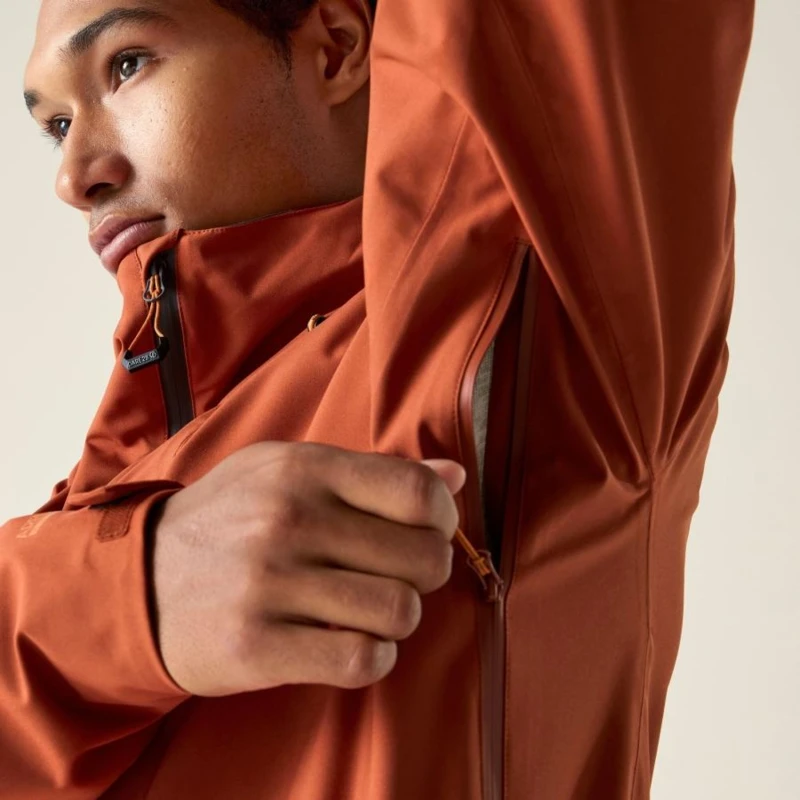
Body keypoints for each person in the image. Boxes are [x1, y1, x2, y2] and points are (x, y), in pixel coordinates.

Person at [0, 0, 755, 797]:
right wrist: (136, 593)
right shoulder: (108, 494)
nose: (73, 177)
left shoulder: (533, 304)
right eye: (56, 124)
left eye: (126, 65)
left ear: (334, 48)